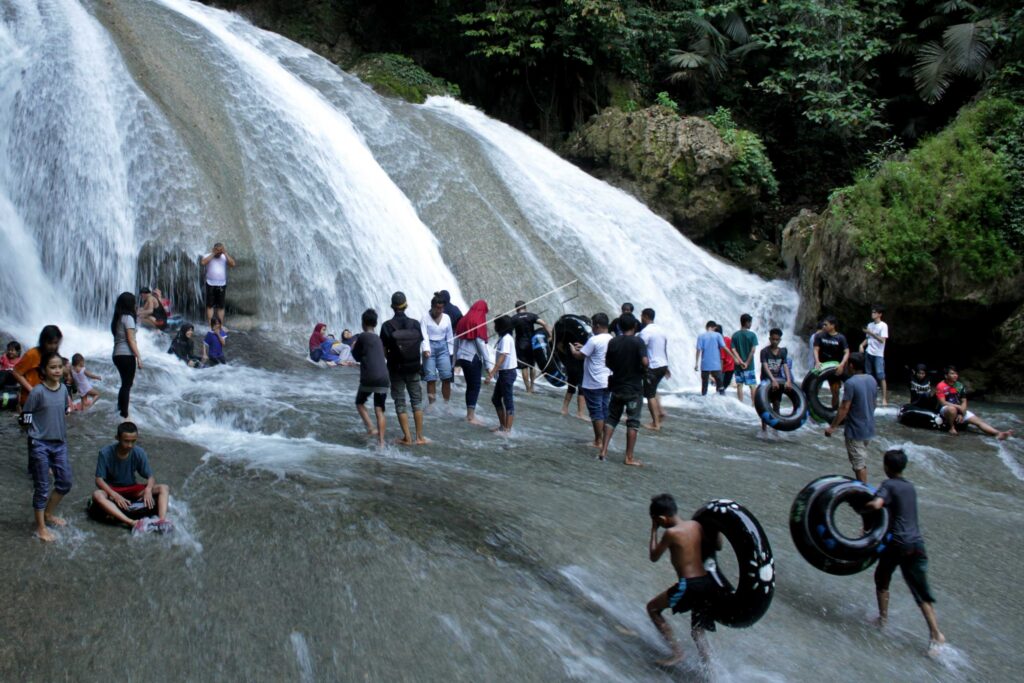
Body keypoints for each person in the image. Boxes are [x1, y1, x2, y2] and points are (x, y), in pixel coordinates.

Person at [862, 449, 945, 656]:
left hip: (898, 545)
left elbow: (878, 504)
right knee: (920, 592)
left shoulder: (888, 485)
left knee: (882, 579)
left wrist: (864, 507)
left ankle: (883, 619)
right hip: (917, 544)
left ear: (886, 467)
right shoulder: (910, 487)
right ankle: (935, 634)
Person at [645, 493, 718, 668]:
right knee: (697, 630)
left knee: (653, 608)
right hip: (707, 583)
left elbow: (654, 556)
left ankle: (677, 653)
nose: (659, 524)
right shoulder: (696, 525)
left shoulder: (671, 533)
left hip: (689, 585)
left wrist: (654, 530)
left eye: (657, 521)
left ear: (662, 518)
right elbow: (717, 545)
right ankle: (709, 668)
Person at [22, 351, 72, 542]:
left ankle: (49, 513)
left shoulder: (64, 390)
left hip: (59, 443)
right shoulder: (37, 392)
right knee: (42, 487)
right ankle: (40, 527)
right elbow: (25, 416)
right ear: (44, 370)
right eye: (53, 367)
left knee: (65, 482)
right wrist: (34, 434)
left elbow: (63, 411)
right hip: (40, 443)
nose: (57, 370)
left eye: (60, 366)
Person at [91, 422, 172, 533]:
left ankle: (161, 521)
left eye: (133, 441)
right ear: (117, 438)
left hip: (132, 488)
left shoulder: (139, 452)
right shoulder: (105, 453)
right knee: (97, 495)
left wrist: (148, 490)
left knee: (164, 488)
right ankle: (131, 522)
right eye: (126, 441)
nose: (130, 445)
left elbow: (150, 477)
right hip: (112, 489)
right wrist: (114, 495)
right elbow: (99, 479)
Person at [380, 291, 428, 445]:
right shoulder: (415, 324)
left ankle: (407, 438)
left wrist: (392, 359)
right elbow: (419, 344)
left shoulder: (387, 326)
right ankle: (420, 437)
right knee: (417, 402)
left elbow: (383, 350)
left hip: (396, 370)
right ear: (406, 305)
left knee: (400, 402)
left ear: (392, 307)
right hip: (414, 368)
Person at [600, 313, 648, 465]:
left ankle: (603, 451)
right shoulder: (638, 342)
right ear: (635, 326)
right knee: (633, 422)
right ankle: (629, 457)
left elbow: (607, 362)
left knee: (612, 419)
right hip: (633, 389)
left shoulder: (613, 341)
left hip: (617, 387)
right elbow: (645, 362)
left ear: (619, 326)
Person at [825, 352, 877, 483]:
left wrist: (832, 427)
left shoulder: (850, 383)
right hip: (869, 428)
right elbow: (874, 403)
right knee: (859, 462)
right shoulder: (872, 379)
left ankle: (864, 494)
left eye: (848, 364)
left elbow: (844, 408)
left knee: (859, 465)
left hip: (855, 430)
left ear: (852, 366)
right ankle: (862, 489)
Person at [935, 366, 1012, 439]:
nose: (955, 375)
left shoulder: (959, 385)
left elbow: (964, 401)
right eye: (952, 373)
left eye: (956, 373)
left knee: (978, 421)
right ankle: (951, 427)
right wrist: (958, 407)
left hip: (959, 409)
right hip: (945, 409)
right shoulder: (940, 386)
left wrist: (961, 413)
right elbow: (943, 402)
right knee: (952, 409)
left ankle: (998, 434)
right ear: (946, 376)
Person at [571, 312, 612, 448]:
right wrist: (583, 348)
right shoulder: (611, 339)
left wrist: (573, 350)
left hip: (594, 382)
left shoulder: (594, 340)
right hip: (608, 380)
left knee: (596, 413)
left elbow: (579, 356)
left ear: (598, 325)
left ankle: (598, 441)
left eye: (593, 325)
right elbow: (596, 353)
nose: (592, 328)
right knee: (604, 410)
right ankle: (605, 440)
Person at [351, 309, 389, 448]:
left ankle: (371, 428)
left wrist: (353, 346)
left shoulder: (362, 337)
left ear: (363, 323)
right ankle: (381, 442)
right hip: (384, 377)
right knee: (379, 409)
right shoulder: (378, 339)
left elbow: (356, 356)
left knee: (359, 402)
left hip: (369, 377)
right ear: (375, 323)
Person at [454, 300, 491, 426]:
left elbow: (456, 341)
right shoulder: (477, 321)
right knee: (474, 386)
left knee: (470, 386)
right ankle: (471, 416)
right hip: (472, 358)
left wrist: (455, 360)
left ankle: (469, 414)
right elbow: (480, 344)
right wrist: (488, 365)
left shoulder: (463, 320)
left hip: (462, 358)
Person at [11, 326, 63, 408]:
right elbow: (16, 372)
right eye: (50, 343)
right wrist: (32, 390)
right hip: (30, 399)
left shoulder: (53, 356)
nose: (53, 346)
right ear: (43, 341)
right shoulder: (32, 354)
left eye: (56, 343)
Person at [111, 292, 142, 420]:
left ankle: (120, 409)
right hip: (126, 354)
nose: (135, 304)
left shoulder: (118, 318)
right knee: (127, 385)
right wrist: (138, 356)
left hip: (117, 354)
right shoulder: (128, 318)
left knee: (124, 384)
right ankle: (125, 414)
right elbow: (131, 339)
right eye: (134, 302)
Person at [638, 308, 670, 431]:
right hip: (662, 364)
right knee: (652, 389)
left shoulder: (646, 332)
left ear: (646, 317)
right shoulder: (661, 330)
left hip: (653, 366)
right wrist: (667, 367)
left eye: (642, 316)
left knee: (649, 394)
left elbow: (640, 349)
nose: (641, 318)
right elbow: (664, 349)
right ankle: (660, 412)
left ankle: (655, 423)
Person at [485, 315, 518, 433]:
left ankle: (507, 431)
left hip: (507, 373)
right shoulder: (504, 337)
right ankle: (503, 427)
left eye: (495, 324)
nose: (494, 326)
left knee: (508, 401)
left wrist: (492, 373)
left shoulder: (506, 339)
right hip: (505, 373)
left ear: (501, 325)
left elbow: (503, 357)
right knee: (496, 399)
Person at [420, 294, 455, 406]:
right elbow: (424, 335)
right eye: (437, 308)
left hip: (443, 348)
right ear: (432, 307)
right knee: (431, 378)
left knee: (446, 377)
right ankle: (432, 405)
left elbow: (449, 335)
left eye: (441, 308)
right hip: (429, 347)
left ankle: (446, 404)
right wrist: (425, 349)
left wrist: (451, 352)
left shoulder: (446, 318)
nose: (439, 310)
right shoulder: (425, 318)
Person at [511, 300, 550, 393]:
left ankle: (527, 388)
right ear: (525, 307)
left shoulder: (514, 318)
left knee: (524, 367)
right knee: (532, 365)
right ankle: (532, 386)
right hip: (532, 344)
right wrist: (550, 334)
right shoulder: (531, 315)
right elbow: (543, 323)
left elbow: (509, 330)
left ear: (516, 309)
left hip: (521, 345)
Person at [758, 328, 793, 431]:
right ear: (770, 339)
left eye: (777, 340)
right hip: (766, 381)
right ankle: (764, 429)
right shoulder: (764, 351)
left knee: (776, 404)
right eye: (773, 339)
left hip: (778, 381)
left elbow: (785, 366)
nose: (775, 342)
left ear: (780, 340)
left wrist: (788, 380)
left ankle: (775, 429)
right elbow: (765, 366)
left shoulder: (782, 352)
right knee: (765, 406)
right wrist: (772, 379)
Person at [813, 315, 850, 410]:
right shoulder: (819, 336)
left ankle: (834, 411)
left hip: (835, 367)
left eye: (826, 325)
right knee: (813, 389)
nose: (823, 326)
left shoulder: (840, 338)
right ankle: (813, 411)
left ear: (832, 326)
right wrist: (817, 361)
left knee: (835, 391)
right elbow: (816, 349)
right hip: (821, 366)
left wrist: (842, 365)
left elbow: (846, 352)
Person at [201, 242, 236, 327]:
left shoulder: (224, 256)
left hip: (221, 284)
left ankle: (220, 325)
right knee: (210, 305)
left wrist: (225, 253)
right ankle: (210, 324)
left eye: (221, 250)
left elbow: (233, 264)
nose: (219, 252)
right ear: (213, 249)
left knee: (221, 306)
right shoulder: (207, 255)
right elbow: (203, 263)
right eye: (217, 250)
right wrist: (213, 253)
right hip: (210, 283)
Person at [860, 305, 889, 406]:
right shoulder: (870, 325)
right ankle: (870, 397)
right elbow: (868, 339)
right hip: (869, 352)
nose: (873, 314)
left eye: (875, 313)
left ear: (880, 314)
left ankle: (884, 398)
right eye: (872, 312)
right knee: (868, 375)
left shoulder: (883, 325)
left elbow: (882, 340)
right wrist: (861, 345)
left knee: (881, 375)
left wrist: (870, 332)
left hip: (878, 354)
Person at [731, 314, 759, 405]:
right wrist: (746, 363)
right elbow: (753, 350)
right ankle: (754, 405)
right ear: (747, 322)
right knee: (752, 386)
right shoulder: (752, 335)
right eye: (750, 322)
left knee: (739, 385)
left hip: (738, 366)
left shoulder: (735, 335)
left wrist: (740, 361)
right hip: (749, 366)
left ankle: (741, 404)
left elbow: (733, 350)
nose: (751, 324)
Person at [694, 321, 727, 396]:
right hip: (716, 365)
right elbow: (724, 348)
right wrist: (733, 356)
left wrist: (696, 363)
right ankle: (722, 399)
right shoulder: (717, 335)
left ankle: (704, 401)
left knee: (704, 386)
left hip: (705, 364)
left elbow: (698, 350)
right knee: (720, 384)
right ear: (713, 327)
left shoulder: (701, 336)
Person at [715, 324, 735, 393]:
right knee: (723, 388)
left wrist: (719, 373)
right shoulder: (728, 339)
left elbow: (721, 359)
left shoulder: (719, 343)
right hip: (731, 367)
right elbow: (734, 350)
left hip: (724, 369)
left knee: (720, 389)